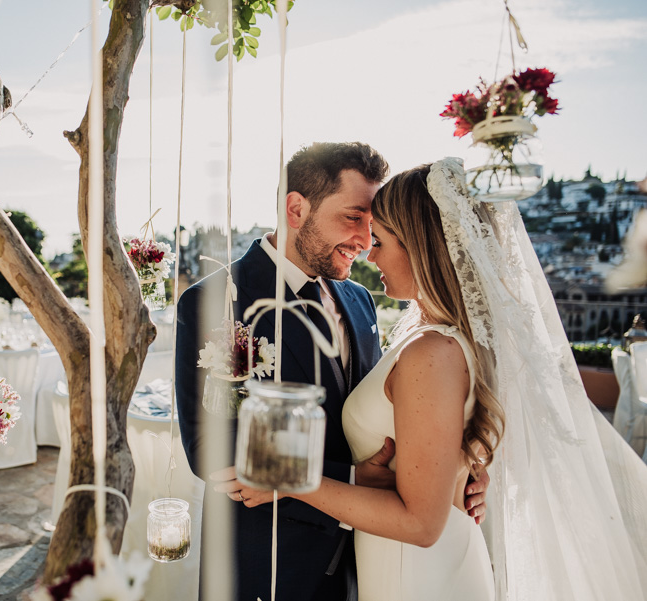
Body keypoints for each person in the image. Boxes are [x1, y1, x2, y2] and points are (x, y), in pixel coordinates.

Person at [227, 158, 647, 600]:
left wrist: (292, 479)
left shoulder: (433, 352)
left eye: (383, 240)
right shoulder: (432, 337)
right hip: (395, 562)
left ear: (422, 248)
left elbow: (421, 524)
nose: (370, 253)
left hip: (417, 574)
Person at [174, 144, 488, 601]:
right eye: (354, 217)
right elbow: (212, 449)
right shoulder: (217, 301)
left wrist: (460, 466)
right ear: (297, 208)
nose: (366, 238)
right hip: (271, 563)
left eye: (374, 223)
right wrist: (355, 478)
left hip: (372, 558)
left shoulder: (360, 301)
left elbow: (402, 409)